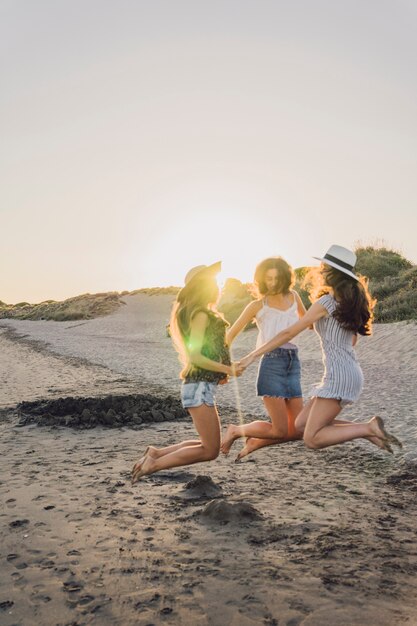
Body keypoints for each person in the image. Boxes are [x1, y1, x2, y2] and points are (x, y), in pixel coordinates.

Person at [237, 245, 402, 454]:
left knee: (312, 439)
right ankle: (370, 431)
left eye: (325, 267)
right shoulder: (350, 302)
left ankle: (367, 428)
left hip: (339, 376)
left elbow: (288, 334)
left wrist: (253, 355)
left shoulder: (326, 302)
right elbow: (351, 341)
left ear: (334, 273)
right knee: (300, 424)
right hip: (347, 372)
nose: (321, 271)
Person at [131, 262, 243, 483]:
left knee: (206, 443)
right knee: (209, 450)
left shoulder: (194, 311)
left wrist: (221, 372)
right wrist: (226, 369)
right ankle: (154, 464)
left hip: (198, 386)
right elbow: (196, 357)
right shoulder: (200, 314)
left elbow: (210, 349)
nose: (218, 286)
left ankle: (156, 453)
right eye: (214, 282)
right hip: (199, 388)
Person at [221, 256, 307, 461]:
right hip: (271, 364)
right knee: (279, 430)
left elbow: (309, 322)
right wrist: (222, 367)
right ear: (261, 279)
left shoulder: (294, 296)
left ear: (286, 277)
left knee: (298, 430)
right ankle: (235, 430)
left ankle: (254, 442)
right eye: (268, 278)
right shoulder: (257, 306)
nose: (273, 283)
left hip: (293, 363)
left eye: (277, 278)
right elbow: (229, 337)